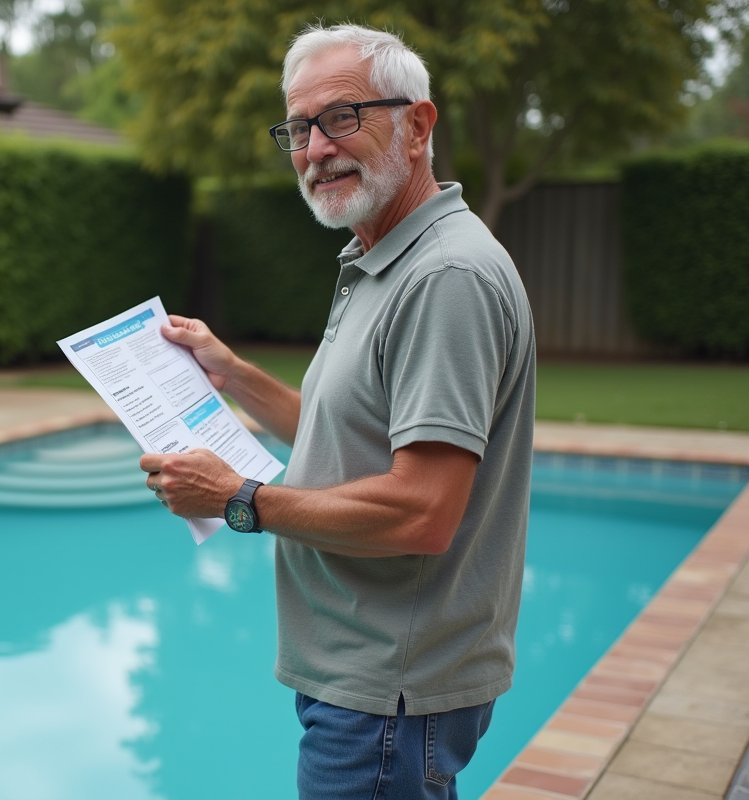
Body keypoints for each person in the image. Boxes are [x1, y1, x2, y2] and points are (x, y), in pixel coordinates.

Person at [139, 23, 536, 800]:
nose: (316, 147)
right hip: (367, 678)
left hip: (391, 689)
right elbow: (351, 439)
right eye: (299, 127)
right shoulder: (380, 258)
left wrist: (237, 501)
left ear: (418, 125)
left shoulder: (443, 277)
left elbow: (422, 512)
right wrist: (236, 375)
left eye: (343, 117)